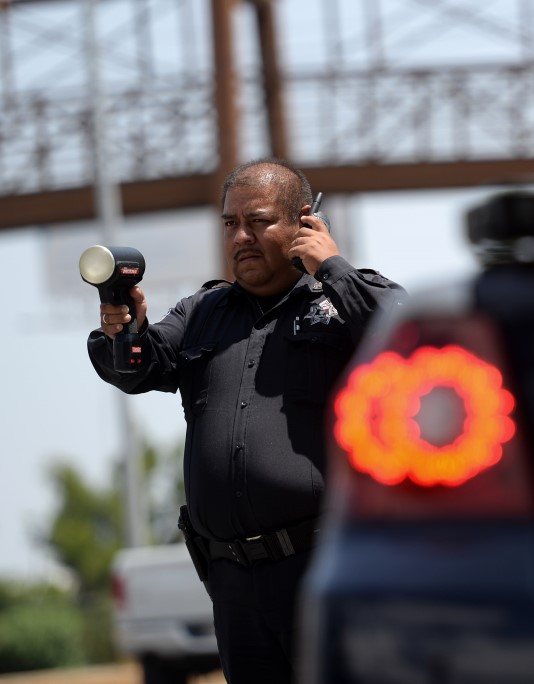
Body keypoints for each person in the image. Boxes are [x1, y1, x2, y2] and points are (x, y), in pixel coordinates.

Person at [87, 158, 406, 682]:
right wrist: (125, 333)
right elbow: (138, 370)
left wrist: (332, 268)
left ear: (305, 223)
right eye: (231, 224)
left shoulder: (341, 299)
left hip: (326, 566)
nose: (241, 237)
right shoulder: (201, 312)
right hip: (234, 583)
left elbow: (405, 335)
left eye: (258, 222)